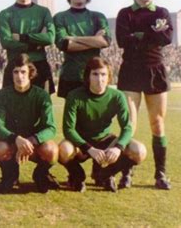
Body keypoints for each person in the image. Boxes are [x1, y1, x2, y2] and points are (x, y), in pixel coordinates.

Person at [116, 0, 173, 190]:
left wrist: (139, 35)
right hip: (130, 70)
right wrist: (151, 34)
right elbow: (123, 41)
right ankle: (126, 172)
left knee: (157, 122)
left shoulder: (162, 12)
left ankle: (160, 174)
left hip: (154, 70)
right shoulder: (125, 14)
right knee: (129, 123)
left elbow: (166, 38)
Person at [58, 57, 146, 193]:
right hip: (81, 143)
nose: (100, 79)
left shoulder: (117, 96)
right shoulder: (74, 96)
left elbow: (127, 127)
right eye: (95, 74)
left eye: (103, 74)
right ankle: (77, 176)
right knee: (63, 150)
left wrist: (118, 148)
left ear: (109, 76)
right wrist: (89, 149)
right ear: (87, 76)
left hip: (106, 140)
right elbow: (68, 129)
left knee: (139, 151)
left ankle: (105, 174)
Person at [0, 53, 58, 193]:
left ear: (30, 73)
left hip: (33, 141)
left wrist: (32, 140)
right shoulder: (1, 95)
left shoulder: (41, 95)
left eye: (23, 72)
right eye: (16, 72)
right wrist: (16, 139)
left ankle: (40, 175)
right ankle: (10, 175)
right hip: (12, 140)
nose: (19, 76)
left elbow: (51, 127)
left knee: (51, 150)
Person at [53, 0, 111, 98]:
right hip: (71, 75)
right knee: (72, 115)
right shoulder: (60, 17)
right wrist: (94, 40)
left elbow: (105, 41)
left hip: (95, 74)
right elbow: (64, 45)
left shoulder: (98, 17)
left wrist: (74, 39)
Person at [0, 0, 55, 93]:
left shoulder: (43, 12)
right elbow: (6, 42)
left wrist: (21, 37)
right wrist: (36, 44)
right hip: (15, 65)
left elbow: (50, 38)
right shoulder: (5, 14)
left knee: (42, 108)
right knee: (14, 110)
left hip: (39, 65)